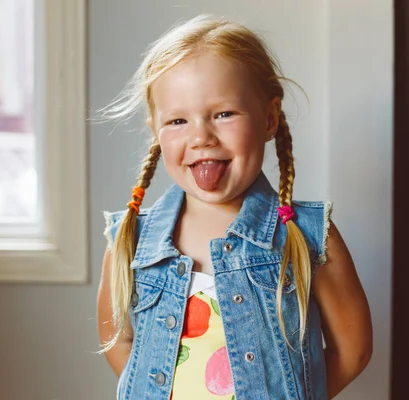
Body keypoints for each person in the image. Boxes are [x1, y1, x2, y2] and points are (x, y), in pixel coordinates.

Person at [97, 14, 372, 400]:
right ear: (156, 132)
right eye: (177, 120)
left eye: (224, 114)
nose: (201, 137)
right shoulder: (131, 239)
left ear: (269, 118)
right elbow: (119, 342)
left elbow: (353, 350)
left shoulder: (309, 236)